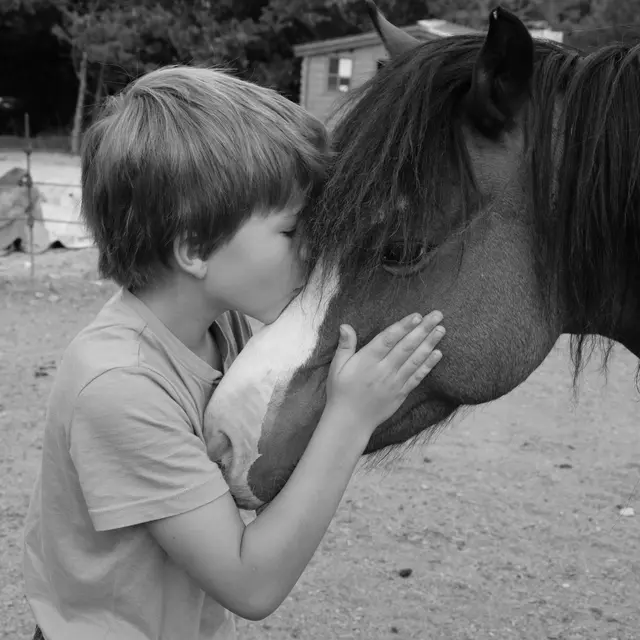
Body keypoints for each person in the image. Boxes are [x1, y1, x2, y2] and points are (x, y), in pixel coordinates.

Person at [22, 65, 446, 640]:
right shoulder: (119, 386)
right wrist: (351, 419)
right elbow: (251, 584)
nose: (314, 250)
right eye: (293, 231)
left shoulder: (225, 324)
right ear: (195, 247)